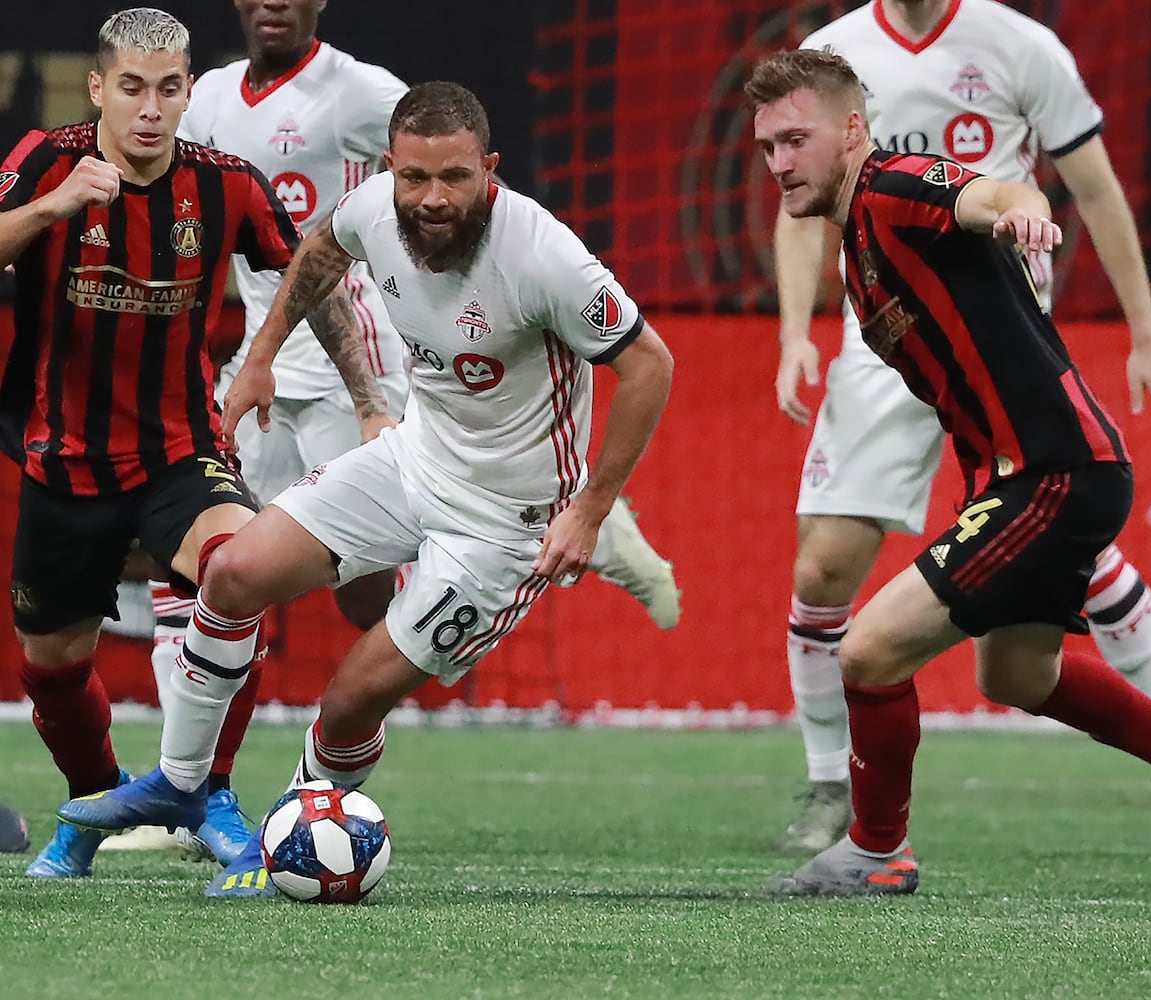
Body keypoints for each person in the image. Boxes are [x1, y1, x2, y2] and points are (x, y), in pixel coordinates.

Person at [58, 81, 676, 899]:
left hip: (506, 526)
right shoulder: (373, 208)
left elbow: (649, 365)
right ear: (389, 167)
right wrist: (266, 354)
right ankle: (182, 782)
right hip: (413, 459)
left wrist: (590, 509)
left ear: (489, 169)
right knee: (233, 572)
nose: (432, 199)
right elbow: (319, 249)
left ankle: (289, 840)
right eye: (415, 177)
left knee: (350, 698)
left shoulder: (543, 255)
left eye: (455, 177)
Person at [744, 48, 1151, 896]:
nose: (778, 164)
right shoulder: (855, 255)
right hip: (1033, 476)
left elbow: (991, 193)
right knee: (1016, 675)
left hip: (1054, 473)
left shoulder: (894, 186)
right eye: (766, 147)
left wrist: (1022, 211)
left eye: (794, 141)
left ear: (850, 131)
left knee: (870, 652)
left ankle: (878, 853)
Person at [0, 8, 389, 879]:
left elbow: (313, 283)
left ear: (187, 93)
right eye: (131, 87)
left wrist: (367, 402)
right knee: (52, 670)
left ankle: (206, 789)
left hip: (181, 451)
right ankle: (101, 802)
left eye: (168, 88)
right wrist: (54, 206)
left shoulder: (225, 184)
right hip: (62, 460)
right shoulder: (46, 160)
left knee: (238, 572)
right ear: (98, 87)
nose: (149, 108)